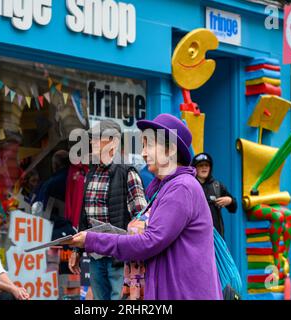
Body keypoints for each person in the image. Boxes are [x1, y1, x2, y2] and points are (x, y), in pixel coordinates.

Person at [65, 114, 222, 300]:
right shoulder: (164, 187)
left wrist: (91, 240)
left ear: (170, 149)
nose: (143, 153)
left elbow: (150, 241)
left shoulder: (181, 188)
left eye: (148, 144)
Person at [68, 119, 147, 300]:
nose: (91, 142)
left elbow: (141, 219)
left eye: (97, 138)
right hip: (96, 257)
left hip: (119, 259)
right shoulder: (91, 173)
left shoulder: (128, 173)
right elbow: (84, 216)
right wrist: (77, 251)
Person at [191, 153, 237, 238]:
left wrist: (230, 200)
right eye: (200, 165)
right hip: (195, 235)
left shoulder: (217, 186)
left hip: (215, 237)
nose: (204, 167)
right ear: (195, 168)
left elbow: (234, 208)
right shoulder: (189, 185)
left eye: (206, 165)